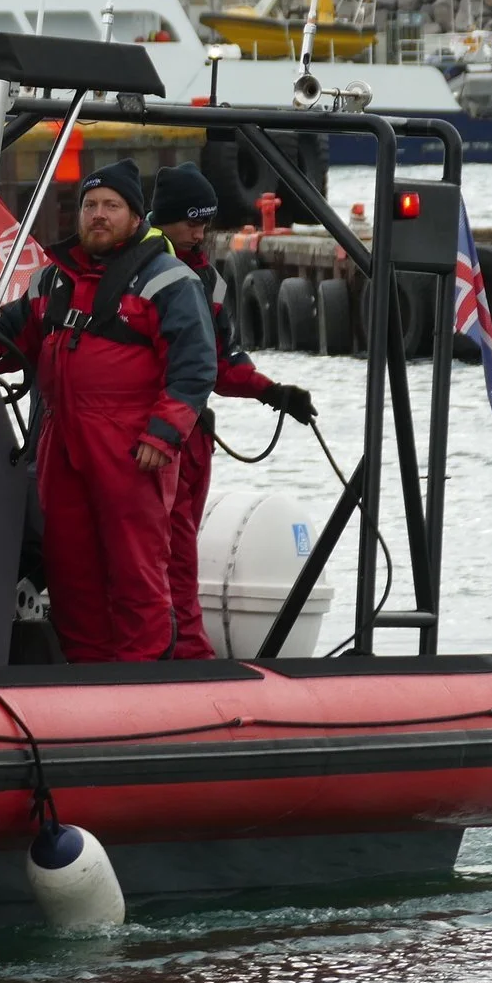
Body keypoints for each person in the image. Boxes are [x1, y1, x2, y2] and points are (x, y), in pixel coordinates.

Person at [0, 160, 217, 663]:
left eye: (111, 206)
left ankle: (143, 685)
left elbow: (195, 365)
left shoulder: (168, 278)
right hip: (62, 447)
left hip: (131, 450)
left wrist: (162, 436)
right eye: (90, 205)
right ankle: (87, 684)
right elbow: (5, 340)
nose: (98, 215)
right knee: (71, 576)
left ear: (136, 217)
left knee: (136, 573)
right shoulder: (52, 279)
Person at [151, 163, 316, 657]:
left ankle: (181, 650)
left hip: (189, 437)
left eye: (205, 221)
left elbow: (223, 363)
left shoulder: (209, 280)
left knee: (177, 550)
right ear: (165, 219)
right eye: (191, 221)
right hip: (152, 436)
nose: (200, 231)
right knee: (161, 552)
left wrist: (273, 392)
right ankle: (179, 654)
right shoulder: (140, 271)